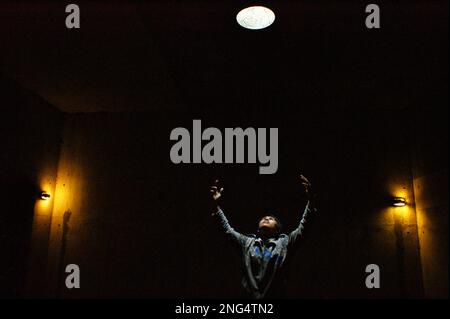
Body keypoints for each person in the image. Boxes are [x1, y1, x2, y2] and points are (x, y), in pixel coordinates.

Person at [210, 174, 317, 299]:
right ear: (258, 228)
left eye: (271, 219)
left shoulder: (285, 242)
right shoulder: (247, 243)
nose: (266, 218)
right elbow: (227, 230)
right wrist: (215, 206)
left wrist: (311, 201)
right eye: (264, 218)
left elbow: (304, 226)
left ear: (277, 229)